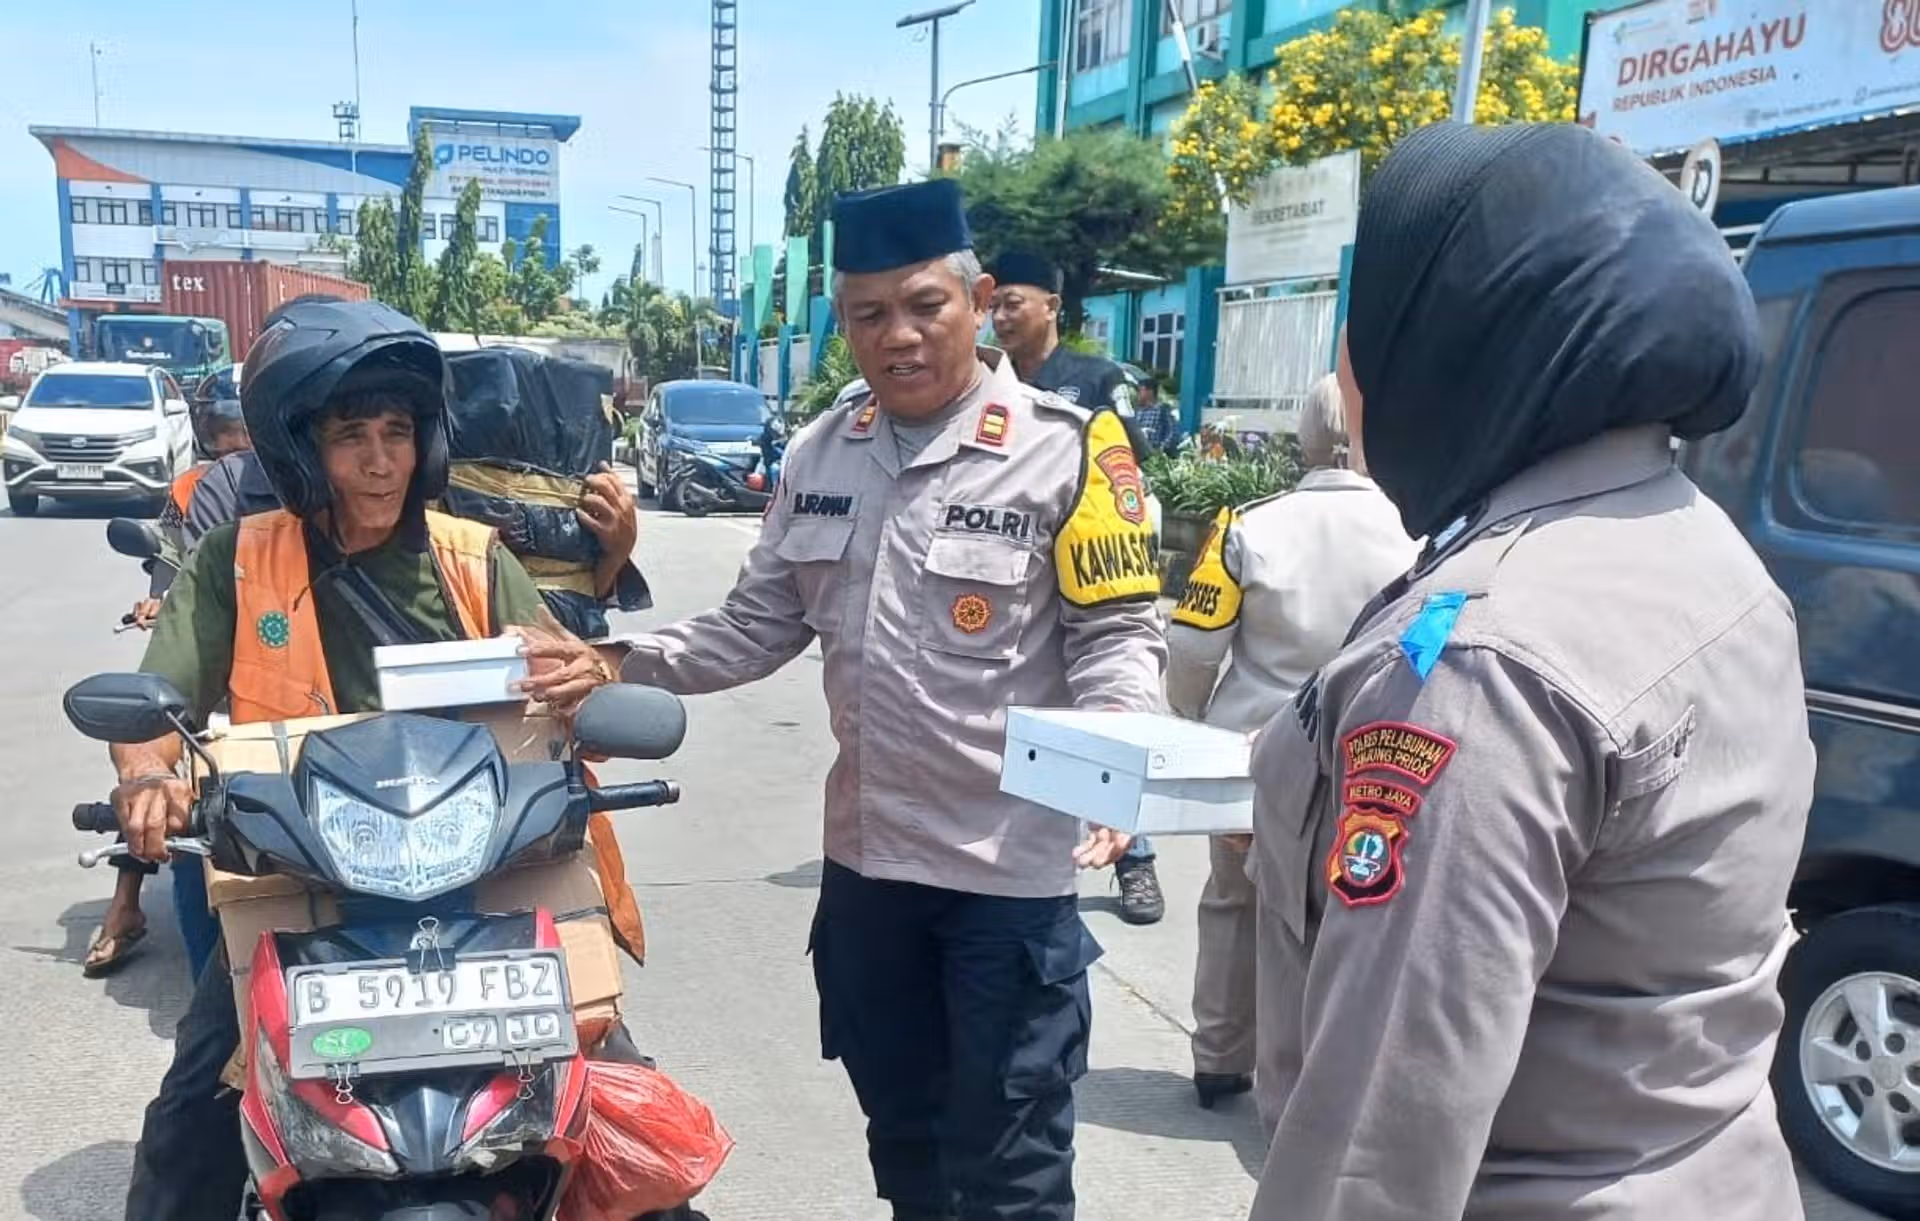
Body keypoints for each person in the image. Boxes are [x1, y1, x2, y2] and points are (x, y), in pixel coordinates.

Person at [524, 179, 1166, 1221]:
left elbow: (1117, 636)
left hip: (1009, 882)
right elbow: (754, 627)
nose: (898, 336)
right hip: (871, 876)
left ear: (979, 299)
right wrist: (613, 662)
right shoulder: (824, 453)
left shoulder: (1069, 447)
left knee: (1011, 1169)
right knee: (905, 1147)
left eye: (925, 306)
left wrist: (1113, 758)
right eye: (870, 315)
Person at [1247, 122, 1812, 1221]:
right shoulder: (1705, 548)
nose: (1347, 378)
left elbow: (1378, 1144)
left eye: (1364, 328)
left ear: (1454, 339)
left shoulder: (1478, 662)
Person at [107, 299, 647, 1221]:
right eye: (351, 434)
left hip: (484, 873)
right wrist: (148, 776)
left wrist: (582, 673)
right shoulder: (237, 561)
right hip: (297, 878)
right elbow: (157, 704)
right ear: (301, 445)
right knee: (194, 1114)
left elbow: (572, 687)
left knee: (622, 1095)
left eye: (397, 432)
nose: (379, 459)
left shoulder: (474, 558)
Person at [1168, 372, 1415, 1113]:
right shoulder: (1423, 531)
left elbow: (1192, 645)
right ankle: (1321, 1078)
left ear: (1301, 438)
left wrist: (1194, 716)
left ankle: (1220, 1058)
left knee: (1232, 903)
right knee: (1351, 915)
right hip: (1369, 761)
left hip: (1251, 759)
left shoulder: (1248, 525)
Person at [987, 248, 1166, 925]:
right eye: (994, 303)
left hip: (1095, 565)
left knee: (1109, 709)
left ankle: (1135, 859)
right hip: (1017, 576)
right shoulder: (984, 381)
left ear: (1052, 307)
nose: (1001, 315)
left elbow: (1132, 463)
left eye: (1015, 302)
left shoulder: (1093, 380)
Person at [90, 398, 258, 980]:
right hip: (222, 678)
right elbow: (177, 561)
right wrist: (146, 774)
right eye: (228, 438)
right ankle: (124, 905)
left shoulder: (441, 539)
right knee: (172, 794)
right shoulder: (204, 491)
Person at [1131, 378, 1177, 454]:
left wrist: (1161, 449)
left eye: (1141, 390)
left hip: (1154, 455)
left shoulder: (1162, 409)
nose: (1138, 393)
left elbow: (1172, 431)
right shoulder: (1137, 411)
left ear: (1150, 392)